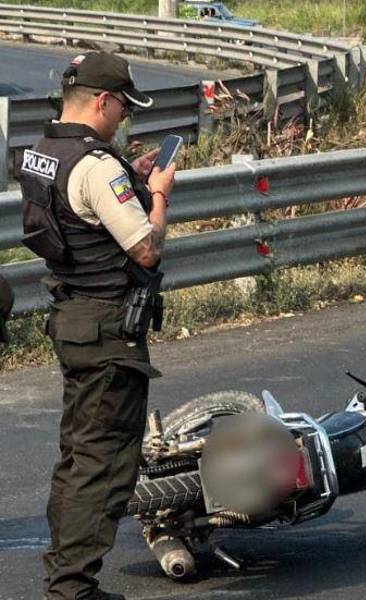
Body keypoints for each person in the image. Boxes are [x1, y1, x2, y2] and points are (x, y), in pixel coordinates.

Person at [19, 52, 174, 600]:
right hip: (108, 328)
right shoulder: (96, 166)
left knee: (77, 456)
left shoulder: (41, 153)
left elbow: (73, 214)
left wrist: (128, 177)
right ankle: (72, 590)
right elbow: (146, 249)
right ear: (103, 101)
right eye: (123, 108)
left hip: (72, 316)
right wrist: (157, 194)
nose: (124, 119)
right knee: (105, 463)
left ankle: (65, 578)